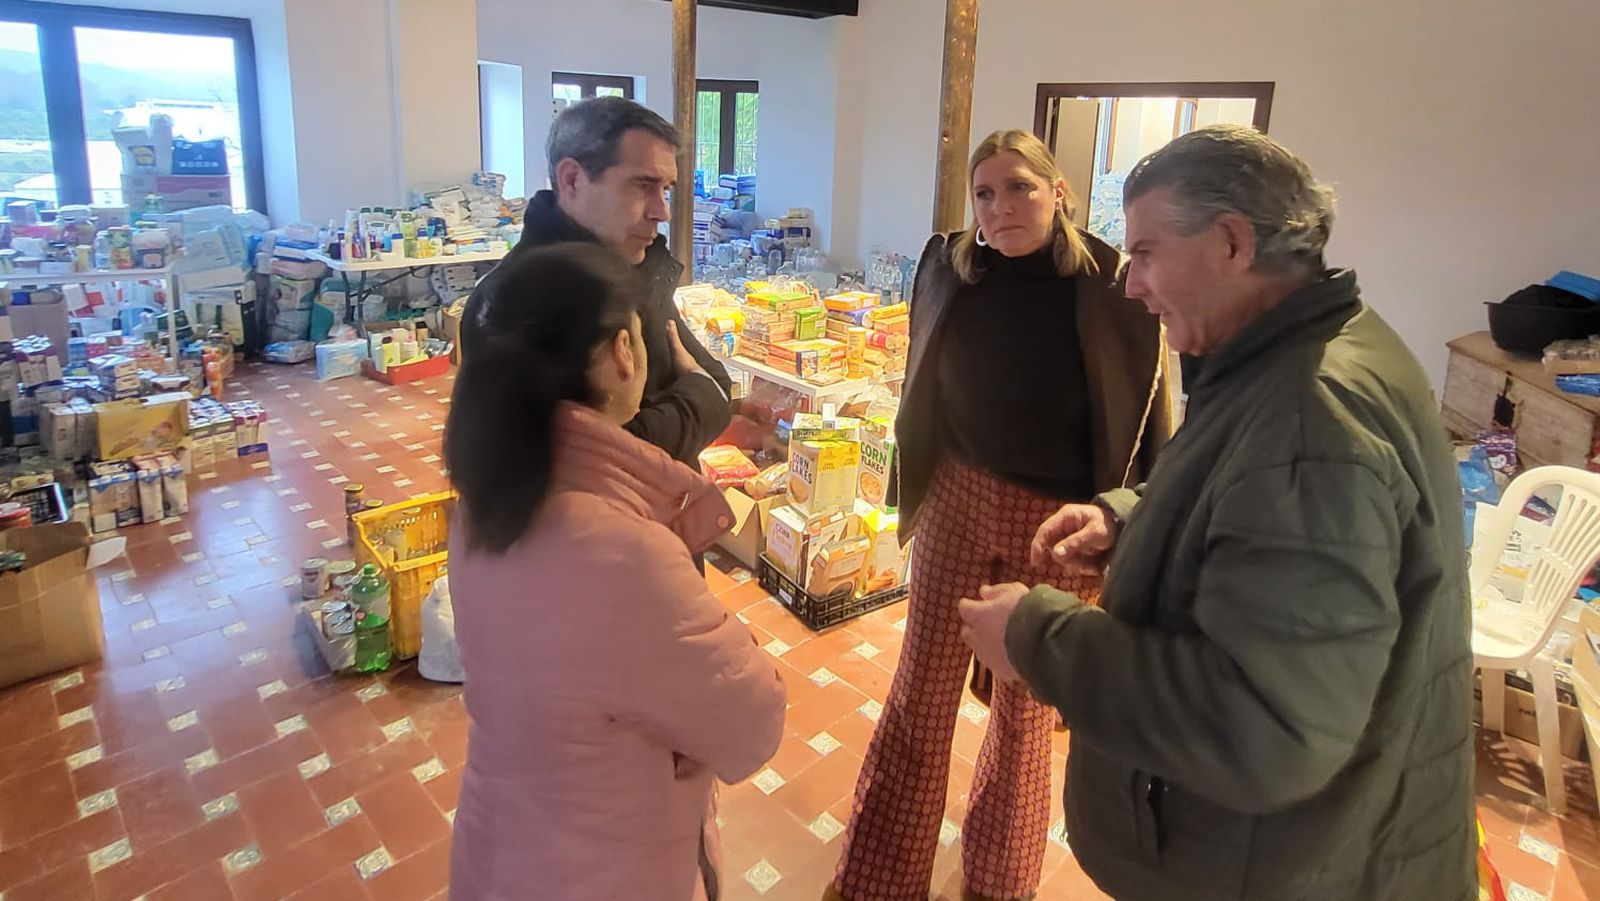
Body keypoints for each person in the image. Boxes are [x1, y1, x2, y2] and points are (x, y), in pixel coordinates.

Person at [958, 125, 1474, 901]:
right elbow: (1250, 504)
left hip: (1289, 866)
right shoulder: (1306, 352)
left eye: (1150, 252)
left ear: (1232, 241)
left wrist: (1039, 634)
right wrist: (1133, 520)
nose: (1131, 283)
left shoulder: (1313, 417)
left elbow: (1262, 724)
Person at [827, 129, 1170, 901]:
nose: (1001, 206)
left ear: (1060, 193)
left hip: (1058, 521)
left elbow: (1151, 418)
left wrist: (1127, 528)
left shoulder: (1115, 284)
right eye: (985, 192)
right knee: (922, 690)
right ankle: (880, 878)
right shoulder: (952, 265)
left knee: (1022, 714)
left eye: (1020, 187)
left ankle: (998, 884)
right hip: (955, 496)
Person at [444, 244, 786, 901]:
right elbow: (752, 725)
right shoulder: (627, 553)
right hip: (612, 867)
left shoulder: (481, 510)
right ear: (623, 354)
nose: (657, 208)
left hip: (496, 850)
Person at [467, 96, 732, 467]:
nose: (663, 212)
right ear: (572, 179)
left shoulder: (635, 268)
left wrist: (699, 396)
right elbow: (584, 464)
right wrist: (698, 394)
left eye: (666, 189)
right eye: (643, 185)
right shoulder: (512, 305)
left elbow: (721, 384)